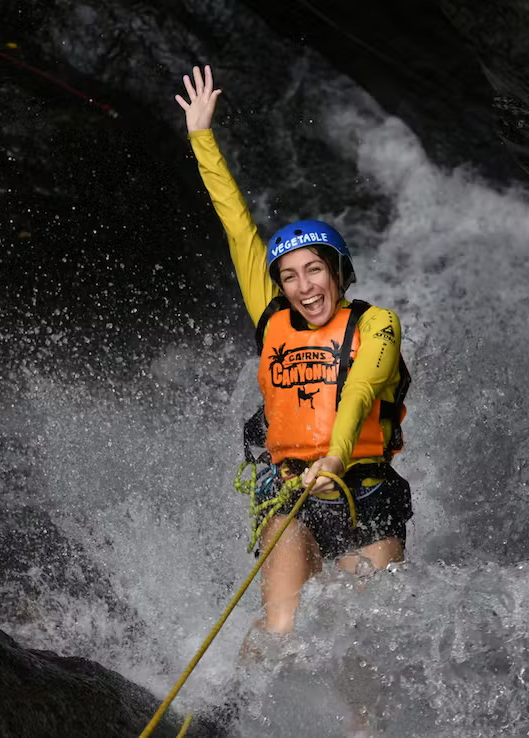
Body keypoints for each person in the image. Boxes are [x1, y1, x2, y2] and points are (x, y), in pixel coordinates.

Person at [176, 65, 412, 634]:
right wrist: (201, 137)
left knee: (364, 642)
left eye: (315, 271)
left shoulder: (378, 324)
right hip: (290, 492)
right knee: (279, 628)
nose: (305, 287)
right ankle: (237, 717)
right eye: (290, 277)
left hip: (365, 491)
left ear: (339, 273)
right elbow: (238, 228)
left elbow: (360, 388)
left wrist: (334, 459)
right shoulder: (272, 316)